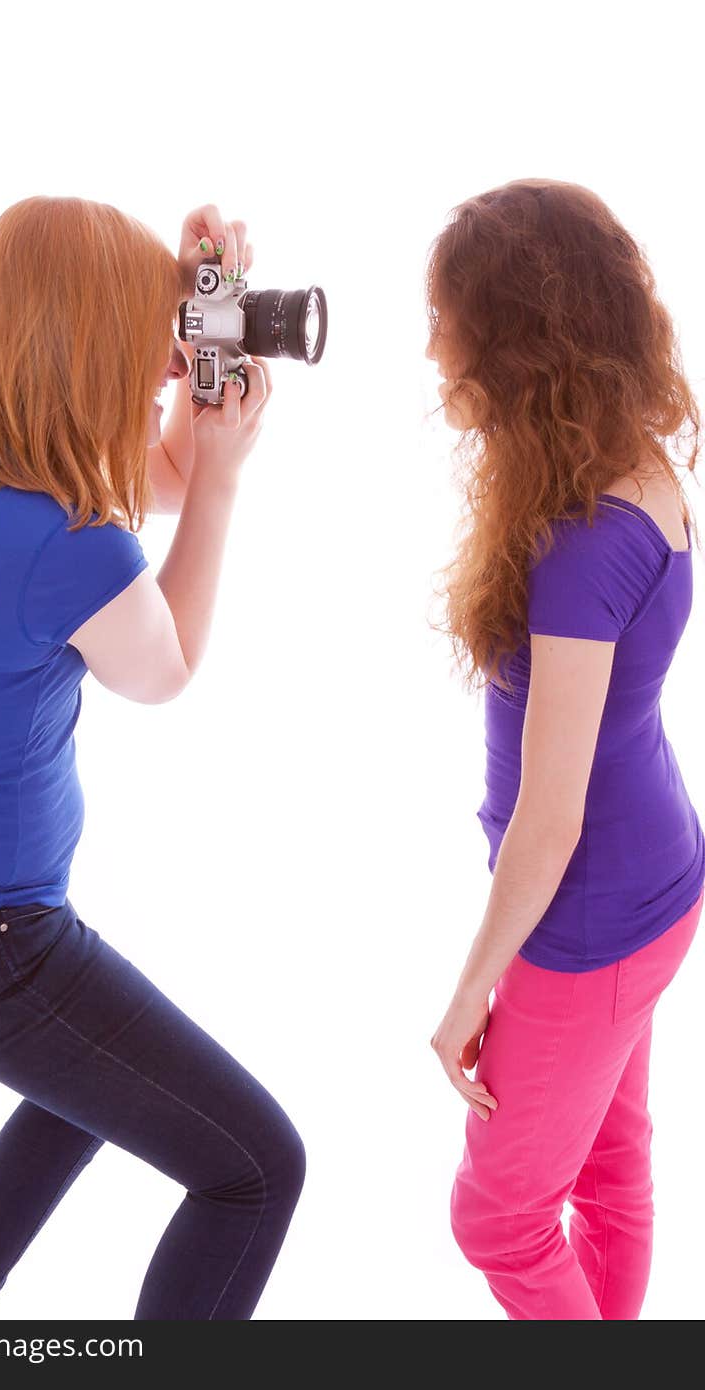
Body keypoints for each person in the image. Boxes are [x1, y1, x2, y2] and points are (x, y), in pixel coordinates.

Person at [0, 196, 305, 1321]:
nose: (160, 390)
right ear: (88, 355)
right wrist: (226, 469)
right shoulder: (66, 543)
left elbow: (156, 476)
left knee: (87, 1087)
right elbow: (167, 663)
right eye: (148, 373)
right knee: (252, 1170)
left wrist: (212, 315)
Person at [426, 178, 704, 1320]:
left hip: (584, 921)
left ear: (517, 344)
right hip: (650, 890)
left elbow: (550, 819)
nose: (433, 347)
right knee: (608, 1161)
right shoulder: (632, 466)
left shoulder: (586, 541)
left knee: (495, 1216)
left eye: (449, 321)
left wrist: (467, 995)